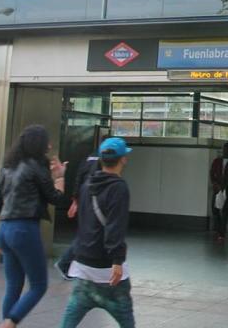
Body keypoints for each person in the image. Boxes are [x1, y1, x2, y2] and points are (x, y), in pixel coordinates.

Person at [0, 124, 71, 328]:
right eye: (47, 141)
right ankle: (9, 323)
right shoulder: (36, 167)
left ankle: (7, 322)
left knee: (13, 286)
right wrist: (60, 177)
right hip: (24, 230)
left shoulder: (8, 166)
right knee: (38, 285)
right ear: (39, 144)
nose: (50, 145)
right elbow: (55, 198)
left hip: (4, 230)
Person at [60, 137, 135, 328]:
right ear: (123, 159)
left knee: (68, 322)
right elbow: (115, 226)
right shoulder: (118, 188)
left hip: (84, 268)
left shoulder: (87, 186)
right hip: (108, 273)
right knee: (127, 322)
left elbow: (85, 224)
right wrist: (117, 261)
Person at [55, 141, 105, 279]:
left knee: (86, 232)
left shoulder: (88, 158)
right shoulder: (102, 161)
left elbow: (78, 178)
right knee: (87, 234)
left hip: (83, 197)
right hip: (93, 199)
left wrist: (75, 200)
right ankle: (65, 263)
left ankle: (71, 265)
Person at [209, 142, 228, 241]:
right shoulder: (217, 161)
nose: (225, 150)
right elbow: (212, 172)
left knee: (225, 209)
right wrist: (215, 183)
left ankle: (222, 231)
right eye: (224, 148)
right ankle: (218, 229)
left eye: (227, 149)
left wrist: (227, 185)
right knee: (215, 208)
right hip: (217, 188)